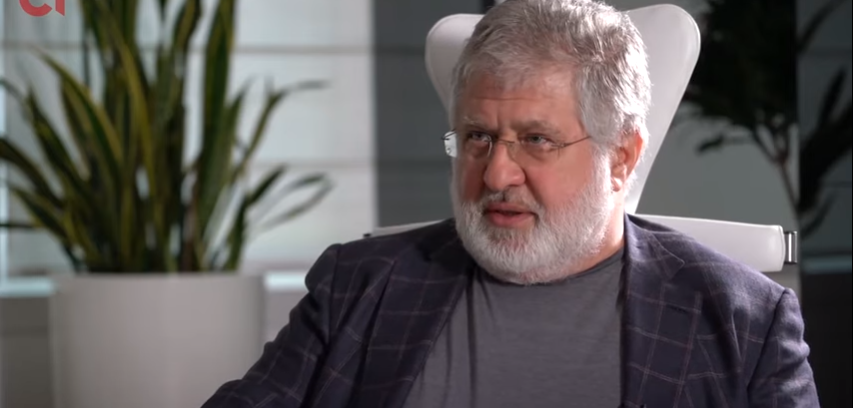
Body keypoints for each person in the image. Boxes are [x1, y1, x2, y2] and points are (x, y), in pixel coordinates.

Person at [202, 0, 818, 407]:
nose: (496, 172)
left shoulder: (745, 320)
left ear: (622, 157)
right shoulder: (357, 286)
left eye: (537, 140)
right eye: (478, 137)